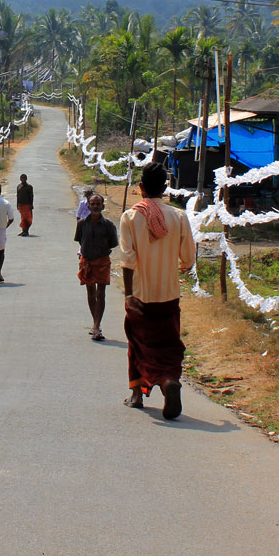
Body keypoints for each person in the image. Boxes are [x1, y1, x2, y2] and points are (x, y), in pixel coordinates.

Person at [117, 161, 196, 420]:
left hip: (140, 295)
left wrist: (129, 295)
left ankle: (139, 394)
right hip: (169, 295)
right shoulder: (179, 216)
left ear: (140, 188)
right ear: (165, 188)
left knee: (138, 346)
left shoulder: (130, 217)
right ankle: (169, 378)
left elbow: (128, 260)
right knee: (169, 345)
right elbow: (188, 258)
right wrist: (182, 264)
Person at [74, 192, 118, 341]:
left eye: (98, 204)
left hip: (102, 261)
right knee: (91, 292)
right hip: (87, 261)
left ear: (103, 206)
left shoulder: (109, 225)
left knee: (101, 294)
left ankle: (96, 325)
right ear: (88, 206)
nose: (95, 206)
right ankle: (96, 324)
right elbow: (80, 240)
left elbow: (113, 243)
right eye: (92, 204)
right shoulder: (81, 224)